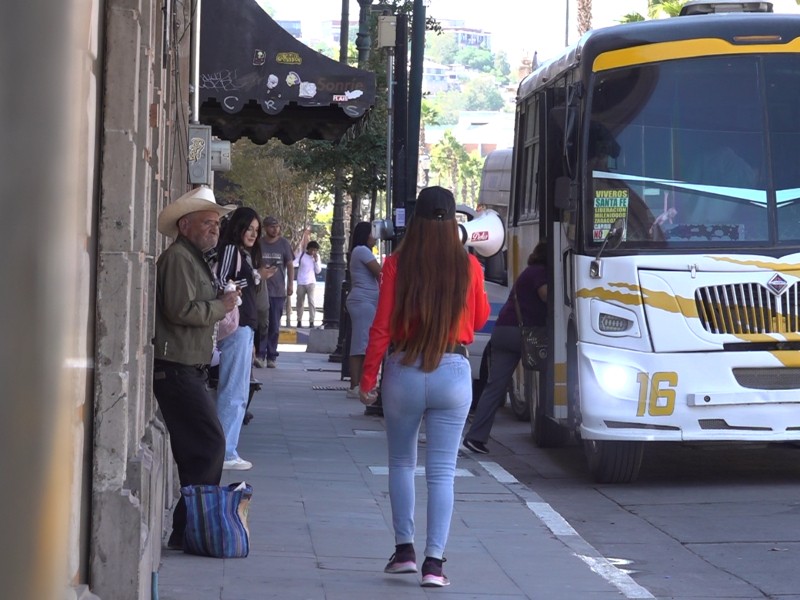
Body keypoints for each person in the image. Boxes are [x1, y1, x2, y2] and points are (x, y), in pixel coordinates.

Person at [359, 186, 490, 587]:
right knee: (442, 472)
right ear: (454, 222)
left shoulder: (396, 265)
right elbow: (479, 319)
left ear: (415, 221)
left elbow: (381, 326)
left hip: (404, 369)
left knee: (401, 462)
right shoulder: (470, 266)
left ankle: (404, 552)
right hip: (453, 371)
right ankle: (435, 565)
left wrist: (368, 378)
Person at [152, 186, 239, 550]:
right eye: (207, 222)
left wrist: (219, 302)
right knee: (209, 443)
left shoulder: (193, 258)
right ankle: (189, 527)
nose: (214, 229)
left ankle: (188, 528)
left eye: (217, 223)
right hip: (176, 367)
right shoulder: (178, 259)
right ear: (185, 225)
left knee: (201, 446)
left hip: (188, 367)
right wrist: (222, 306)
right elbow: (180, 310)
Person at [463, 242, 548, 454]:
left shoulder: (528, 272)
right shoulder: (540, 273)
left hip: (502, 331)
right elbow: (547, 296)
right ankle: (551, 424)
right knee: (550, 373)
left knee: (494, 387)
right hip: (523, 334)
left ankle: (476, 437)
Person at [215, 206, 271, 470]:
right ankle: (225, 451)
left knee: (238, 389)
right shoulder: (231, 250)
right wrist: (254, 278)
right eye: (249, 228)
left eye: (256, 230)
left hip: (245, 326)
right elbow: (221, 281)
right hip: (237, 326)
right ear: (238, 227)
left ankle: (228, 449)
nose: (253, 234)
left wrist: (255, 276)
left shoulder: (241, 253)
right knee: (234, 389)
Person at [345, 221, 381, 399]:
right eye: (373, 233)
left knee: (362, 342)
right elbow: (379, 272)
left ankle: (359, 383)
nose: (375, 237)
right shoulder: (362, 251)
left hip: (365, 302)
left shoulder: (359, 251)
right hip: (363, 302)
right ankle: (355, 385)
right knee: (361, 344)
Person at [257, 215, 294, 368]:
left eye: (277, 227)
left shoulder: (284, 244)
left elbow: (290, 265)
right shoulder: (259, 243)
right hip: (261, 290)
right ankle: (259, 354)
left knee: (274, 325)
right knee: (261, 324)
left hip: (278, 291)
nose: (275, 229)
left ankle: (272, 356)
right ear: (265, 228)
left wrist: (290, 284)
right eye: (272, 227)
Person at [294, 238, 322, 327]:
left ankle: (311, 321)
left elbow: (318, 271)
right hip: (301, 282)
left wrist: (316, 261)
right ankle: (299, 320)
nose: (313, 252)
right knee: (300, 302)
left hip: (311, 282)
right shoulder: (302, 255)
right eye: (312, 249)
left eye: (315, 250)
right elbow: (294, 263)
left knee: (311, 301)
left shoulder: (317, 257)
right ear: (308, 249)